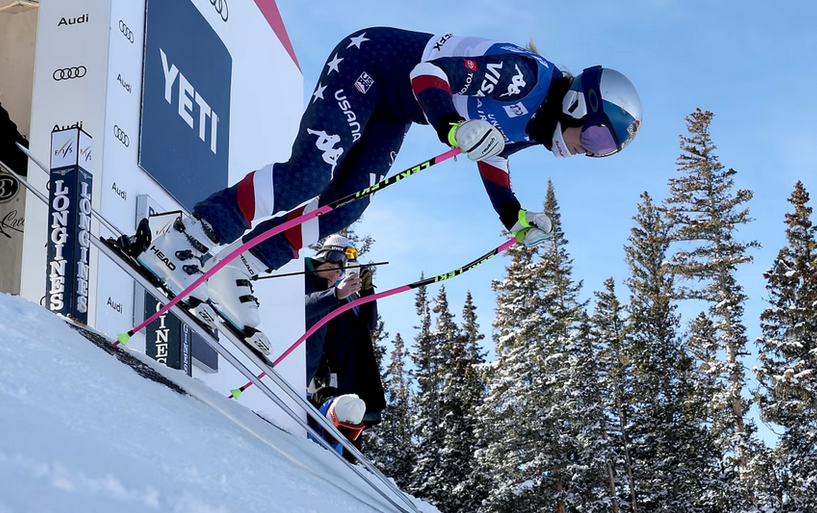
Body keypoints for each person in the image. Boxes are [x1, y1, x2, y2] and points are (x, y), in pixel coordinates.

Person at [133, 27, 643, 354]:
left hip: (395, 109)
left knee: (342, 211)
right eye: (597, 137)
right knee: (308, 175)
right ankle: (188, 238)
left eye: (604, 153)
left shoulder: (537, 126)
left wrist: (514, 217)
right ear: (579, 104)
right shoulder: (526, 79)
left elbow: (492, 156)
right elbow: (428, 73)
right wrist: (449, 126)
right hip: (370, 64)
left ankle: (240, 267)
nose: (590, 152)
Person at [303, 234, 385, 462]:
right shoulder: (324, 288)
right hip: (331, 369)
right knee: (334, 418)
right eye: (335, 264)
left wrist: (367, 292)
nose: (339, 271)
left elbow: (370, 324)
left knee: (354, 422)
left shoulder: (348, 295)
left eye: (345, 265)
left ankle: (351, 465)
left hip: (356, 369)